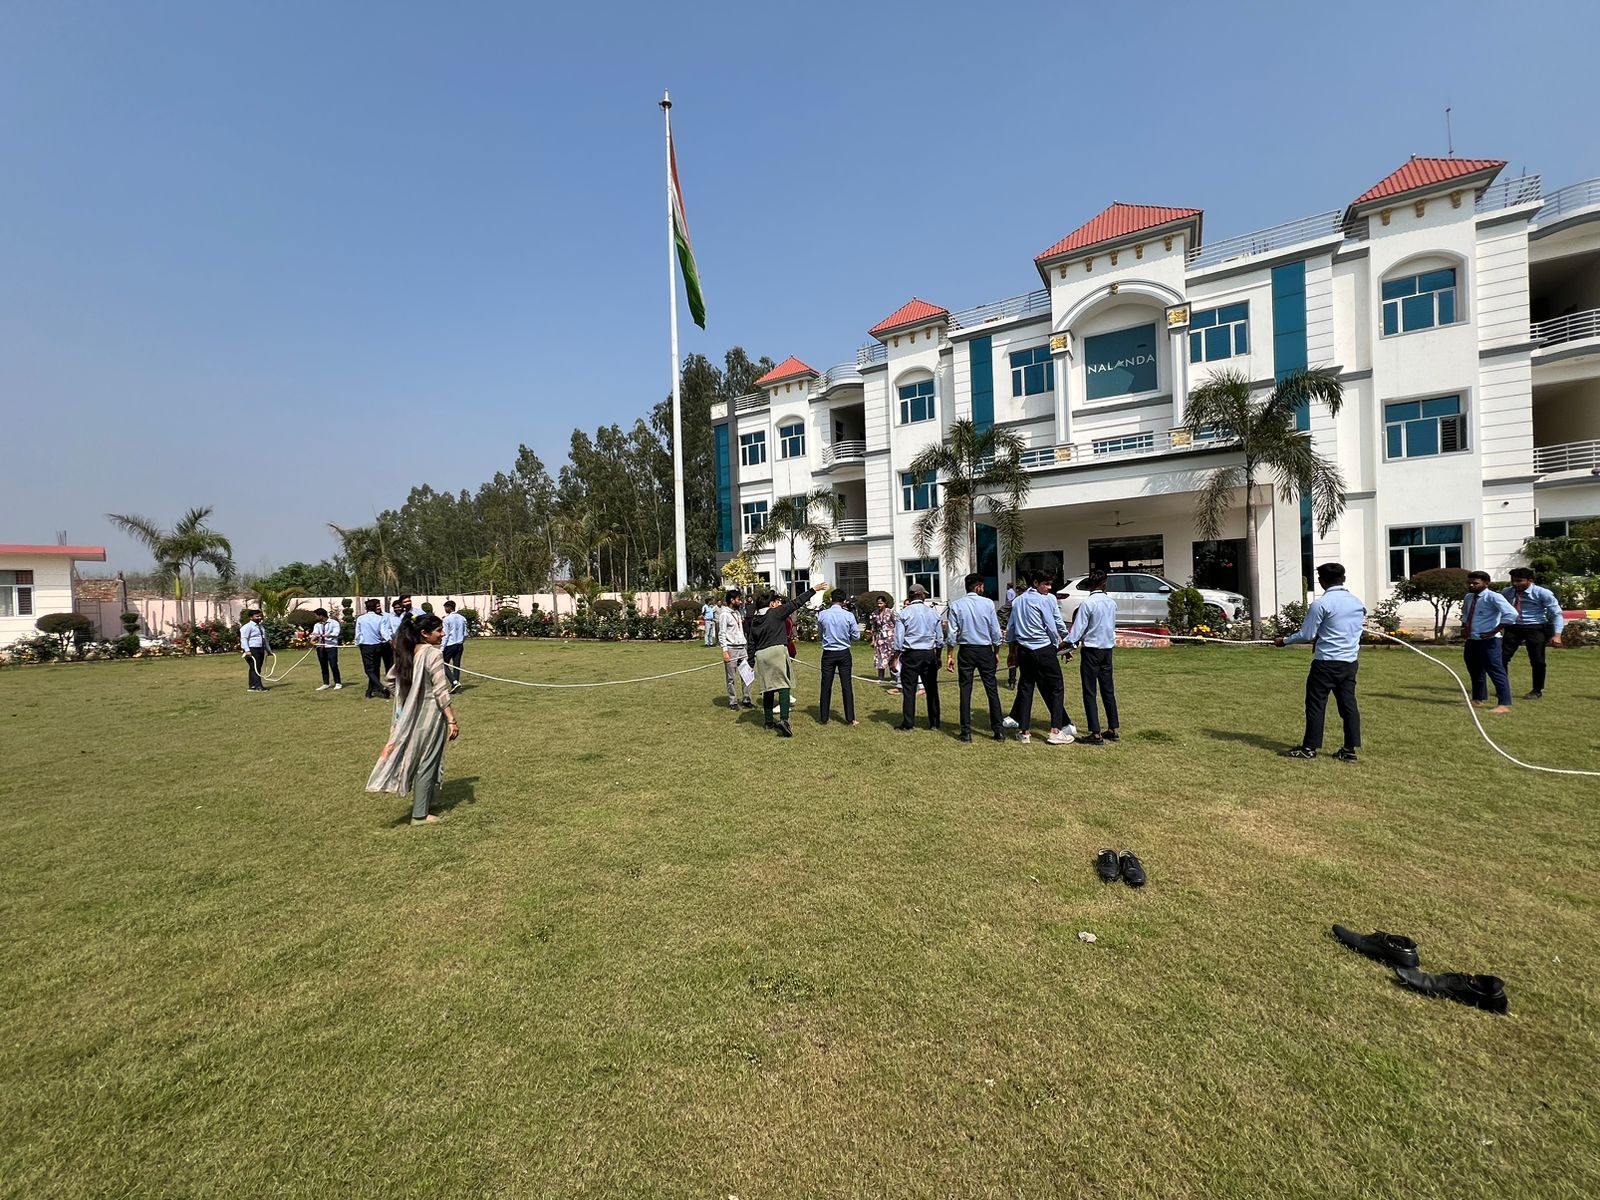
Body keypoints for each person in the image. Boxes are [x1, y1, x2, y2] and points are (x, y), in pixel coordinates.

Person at [366, 613, 459, 826]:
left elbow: (390, 680)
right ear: (424, 634)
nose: (443, 634)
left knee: (421, 758)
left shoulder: (408, 652)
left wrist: (408, 698)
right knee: (427, 760)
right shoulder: (433, 653)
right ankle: (419, 815)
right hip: (430, 716)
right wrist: (452, 719)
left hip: (411, 716)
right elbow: (440, 690)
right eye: (438, 631)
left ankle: (426, 801)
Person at [1274, 562, 1366, 761]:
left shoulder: (1321, 604)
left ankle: (1309, 748)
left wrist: (1284, 641)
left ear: (1321, 581)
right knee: (1348, 705)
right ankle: (1349, 751)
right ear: (1344, 579)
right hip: (1349, 663)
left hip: (1325, 663)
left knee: (1316, 704)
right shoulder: (1357, 603)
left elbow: (1307, 634)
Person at [1001, 570, 1074, 744]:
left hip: (1024, 650)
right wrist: (1066, 641)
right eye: (1045, 584)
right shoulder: (1044, 600)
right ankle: (1056, 730)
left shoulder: (1017, 601)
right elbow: (1052, 624)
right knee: (1056, 687)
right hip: (1043, 648)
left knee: (1026, 688)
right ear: (1035, 583)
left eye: (1050, 584)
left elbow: (1011, 628)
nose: (1049, 588)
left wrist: (1012, 651)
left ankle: (1024, 731)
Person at [747, 583, 826, 736]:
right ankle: (784, 720)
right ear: (771, 604)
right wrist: (813, 590)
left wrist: (750, 662)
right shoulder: (776, 613)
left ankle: (768, 722)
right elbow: (796, 603)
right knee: (784, 686)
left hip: (761, 655)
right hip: (777, 651)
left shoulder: (755, 620)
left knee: (768, 688)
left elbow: (751, 643)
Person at [945, 573, 1005, 743]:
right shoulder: (988, 604)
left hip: (966, 650)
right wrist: (996, 651)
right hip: (985, 649)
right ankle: (998, 731)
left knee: (965, 691)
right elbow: (995, 630)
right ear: (978, 587)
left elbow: (952, 633)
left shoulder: (957, 605)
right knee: (991, 690)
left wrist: (950, 654)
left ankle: (966, 732)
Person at [1066, 569, 1120, 746]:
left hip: (1091, 651)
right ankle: (1113, 728)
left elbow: (1078, 630)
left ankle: (1095, 733)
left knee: (1090, 691)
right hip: (1107, 650)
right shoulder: (1111, 603)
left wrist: (1067, 644)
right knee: (1108, 690)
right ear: (1104, 584)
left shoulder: (1087, 604)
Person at [1501, 567, 1565, 699]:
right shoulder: (1507, 592)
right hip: (1513, 627)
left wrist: (1557, 635)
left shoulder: (1542, 593)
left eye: (1519, 581)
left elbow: (1556, 614)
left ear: (1530, 580)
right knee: (1501, 658)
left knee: (1537, 660)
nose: (1515, 584)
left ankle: (1537, 690)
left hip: (1535, 627)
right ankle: (1502, 687)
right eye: (1513, 581)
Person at [1460, 570, 1517, 713]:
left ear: (1486, 583)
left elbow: (1511, 614)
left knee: (1495, 670)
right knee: (1475, 669)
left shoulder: (1493, 597)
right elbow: (1466, 614)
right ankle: (1478, 698)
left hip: (1490, 641)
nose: (1472, 585)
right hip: (1472, 639)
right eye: (1470, 583)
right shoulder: (1469, 597)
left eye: (1476, 583)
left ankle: (1504, 703)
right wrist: (1464, 627)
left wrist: (1495, 630)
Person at [893, 584, 943, 731]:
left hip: (911, 654)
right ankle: (934, 723)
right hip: (928, 653)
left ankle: (908, 723)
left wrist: (895, 657)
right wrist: (938, 657)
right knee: (932, 689)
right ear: (921, 595)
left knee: (909, 689)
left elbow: (898, 639)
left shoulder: (904, 613)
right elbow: (939, 639)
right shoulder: (933, 612)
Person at [817, 589, 860, 726]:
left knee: (826, 685)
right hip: (844, 652)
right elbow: (856, 636)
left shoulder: (822, 614)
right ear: (844, 601)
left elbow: (820, 633)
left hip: (828, 653)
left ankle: (824, 717)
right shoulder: (849, 616)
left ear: (831, 599)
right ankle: (850, 718)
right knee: (846, 685)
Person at [716, 589, 753, 711]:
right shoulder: (724, 615)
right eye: (738, 599)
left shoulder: (737, 613)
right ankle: (733, 701)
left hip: (742, 647)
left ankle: (747, 699)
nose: (740, 601)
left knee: (746, 675)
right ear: (732, 600)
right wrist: (725, 651)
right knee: (731, 678)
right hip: (731, 648)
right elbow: (721, 633)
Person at [355, 599, 391, 699]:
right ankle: (369, 692)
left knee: (369, 670)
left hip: (366, 646)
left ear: (366, 608)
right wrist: (389, 640)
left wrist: (357, 643)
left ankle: (381, 687)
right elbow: (384, 632)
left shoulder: (361, 619)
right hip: (378, 645)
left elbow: (358, 633)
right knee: (375, 669)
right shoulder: (380, 618)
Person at [869, 595, 899, 690]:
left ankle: (893, 677)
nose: (879, 605)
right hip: (880, 638)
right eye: (878, 603)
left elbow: (897, 624)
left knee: (891, 657)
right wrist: (873, 640)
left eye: (881, 603)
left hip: (890, 638)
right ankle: (880, 677)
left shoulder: (890, 612)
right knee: (880, 656)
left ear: (885, 603)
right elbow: (874, 628)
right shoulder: (875, 614)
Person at [311, 607, 343, 691]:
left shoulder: (334, 623)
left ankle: (338, 683)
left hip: (331, 647)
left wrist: (325, 635)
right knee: (323, 665)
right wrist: (312, 639)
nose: (316, 617)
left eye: (316, 616)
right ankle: (326, 683)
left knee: (333, 665)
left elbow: (336, 633)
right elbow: (315, 634)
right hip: (320, 647)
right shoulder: (317, 625)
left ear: (321, 615)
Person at [239, 608, 269, 692]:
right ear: (251, 617)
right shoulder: (247, 627)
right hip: (252, 649)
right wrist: (247, 650)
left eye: (260, 616)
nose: (259, 618)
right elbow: (244, 639)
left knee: (256, 668)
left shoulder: (261, 627)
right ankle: (258, 686)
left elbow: (264, 639)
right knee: (255, 668)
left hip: (260, 648)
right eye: (257, 616)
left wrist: (268, 649)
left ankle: (252, 685)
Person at [441, 600, 468, 691]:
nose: (445, 609)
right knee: (456, 665)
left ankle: (454, 682)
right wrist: (461, 641)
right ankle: (455, 683)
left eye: (445, 608)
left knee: (443, 664)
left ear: (449, 608)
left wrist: (442, 648)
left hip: (450, 645)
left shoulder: (446, 619)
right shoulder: (462, 618)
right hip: (459, 645)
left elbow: (446, 635)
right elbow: (465, 633)